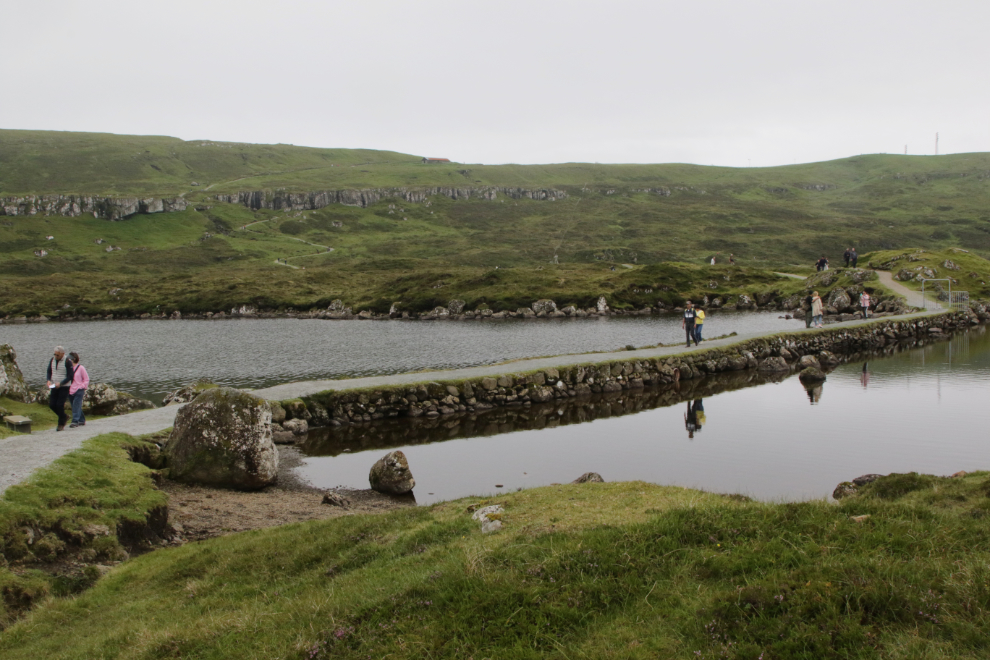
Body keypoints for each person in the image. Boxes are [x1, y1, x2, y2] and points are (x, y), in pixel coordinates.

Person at [45, 346, 74, 431]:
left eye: (57, 355)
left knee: (59, 405)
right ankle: (64, 416)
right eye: (55, 354)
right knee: (52, 405)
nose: (56, 356)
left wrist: (61, 383)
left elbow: (70, 376)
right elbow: (49, 371)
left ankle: (61, 424)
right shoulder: (52, 360)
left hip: (64, 387)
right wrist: (48, 380)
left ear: (62, 354)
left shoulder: (68, 362)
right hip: (54, 385)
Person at [68, 351, 89, 428]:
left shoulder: (81, 368)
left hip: (79, 389)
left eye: (70, 359)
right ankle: (82, 419)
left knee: (76, 405)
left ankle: (75, 421)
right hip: (70, 389)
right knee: (74, 405)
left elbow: (86, 379)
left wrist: (82, 386)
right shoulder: (68, 369)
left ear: (74, 359)